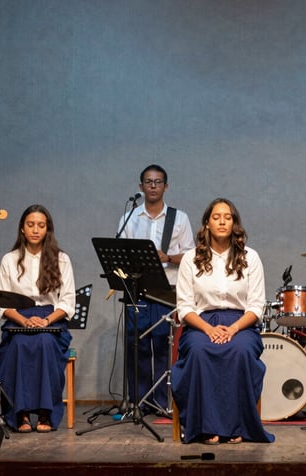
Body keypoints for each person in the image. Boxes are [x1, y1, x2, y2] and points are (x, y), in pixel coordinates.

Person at [171, 198, 274, 445]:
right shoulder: (191, 258)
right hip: (201, 322)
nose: (222, 221)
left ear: (234, 223)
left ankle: (238, 425)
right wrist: (208, 329)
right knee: (197, 351)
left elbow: (256, 306)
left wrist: (233, 329)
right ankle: (205, 426)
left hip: (241, 323)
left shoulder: (251, 257)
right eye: (216, 217)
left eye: (227, 217)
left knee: (239, 351)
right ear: (207, 223)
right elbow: (184, 307)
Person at [117, 164, 195, 414]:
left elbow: (191, 256)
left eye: (158, 182)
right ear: (140, 187)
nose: (153, 186)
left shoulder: (179, 218)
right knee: (136, 346)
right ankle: (139, 402)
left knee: (163, 345)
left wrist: (168, 257)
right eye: (148, 182)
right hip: (136, 289)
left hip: (166, 290)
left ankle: (161, 403)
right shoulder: (130, 217)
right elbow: (120, 252)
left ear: (166, 186)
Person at [0, 205, 75, 433]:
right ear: (22, 228)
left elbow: (67, 301)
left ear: (47, 229)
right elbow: (3, 303)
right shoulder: (9, 259)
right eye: (30, 225)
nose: (35, 230)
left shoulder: (61, 259)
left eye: (41, 225)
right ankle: (18, 413)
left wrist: (47, 320)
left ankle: (45, 413)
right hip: (18, 318)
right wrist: (23, 320)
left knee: (45, 343)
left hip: (50, 319)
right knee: (19, 345)